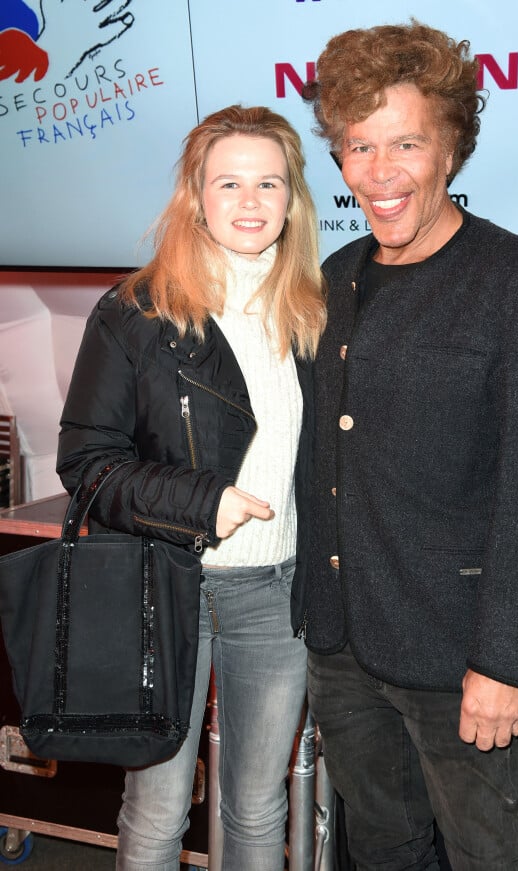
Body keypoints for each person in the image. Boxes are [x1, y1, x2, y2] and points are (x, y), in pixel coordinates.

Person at [302, 20, 518, 871]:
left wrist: (505, 662)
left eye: (404, 144)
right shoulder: (334, 278)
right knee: (383, 849)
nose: (375, 174)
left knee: (489, 855)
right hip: (342, 648)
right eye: (356, 146)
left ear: (451, 148)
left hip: (461, 657)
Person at [56, 104, 326, 871]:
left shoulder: (316, 309)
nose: (250, 201)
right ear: (195, 196)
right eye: (229, 182)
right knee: (158, 806)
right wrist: (204, 501)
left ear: (292, 198)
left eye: (268, 182)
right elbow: (87, 464)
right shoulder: (137, 311)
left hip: (276, 594)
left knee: (257, 805)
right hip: (163, 585)